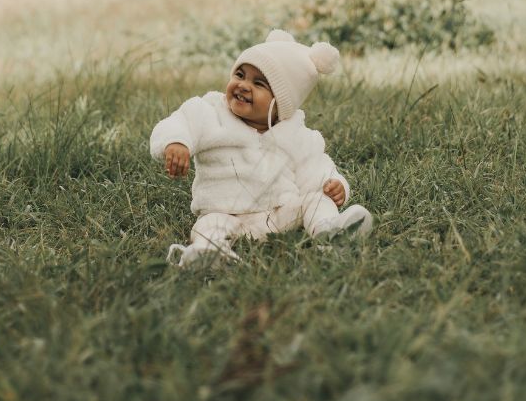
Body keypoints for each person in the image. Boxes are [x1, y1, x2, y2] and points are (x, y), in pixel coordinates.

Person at [150, 29, 373, 269]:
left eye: (258, 83)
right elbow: (179, 122)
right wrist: (176, 142)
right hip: (224, 213)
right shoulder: (211, 112)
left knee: (316, 199)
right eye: (240, 74)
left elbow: (316, 167)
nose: (243, 85)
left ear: (282, 103)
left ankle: (330, 232)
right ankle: (209, 252)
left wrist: (336, 186)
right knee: (208, 226)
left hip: (277, 216)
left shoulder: (295, 134)